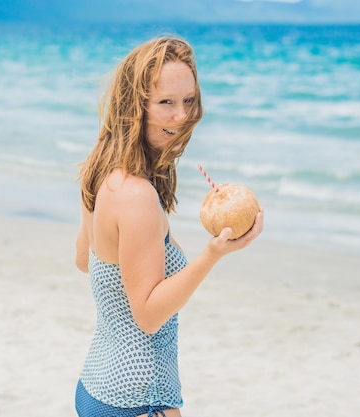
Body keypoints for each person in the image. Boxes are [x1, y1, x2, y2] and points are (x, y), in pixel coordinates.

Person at [74, 36, 264, 417]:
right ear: (135, 105)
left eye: (188, 100)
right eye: (166, 102)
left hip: (95, 389)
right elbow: (147, 315)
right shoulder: (136, 194)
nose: (181, 115)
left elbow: (85, 259)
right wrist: (213, 254)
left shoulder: (102, 169)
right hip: (139, 398)